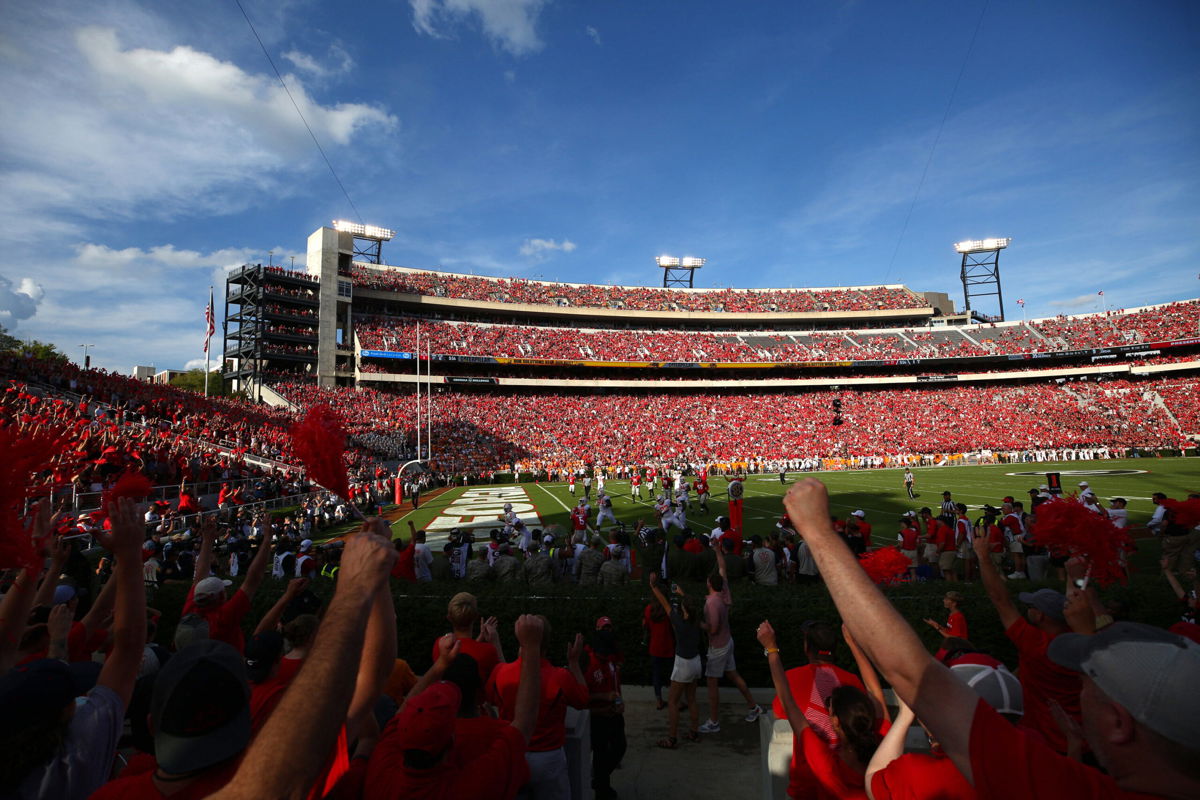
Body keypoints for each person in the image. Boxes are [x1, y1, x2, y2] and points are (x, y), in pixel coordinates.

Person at [782, 477, 1200, 800]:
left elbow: (912, 673)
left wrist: (819, 535)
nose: (1079, 686)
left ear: (1117, 723)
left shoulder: (1059, 784)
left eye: (1088, 682)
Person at [0, 499, 146, 800]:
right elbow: (128, 648)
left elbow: (6, 639)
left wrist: (37, 560)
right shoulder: (77, 759)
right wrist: (130, 557)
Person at [361, 615, 545, 800]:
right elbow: (524, 724)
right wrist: (531, 647)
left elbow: (400, 717)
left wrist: (439, 665)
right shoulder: (469, 787)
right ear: (451, 741)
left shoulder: (381, 770)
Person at [757, 621, 886, 800]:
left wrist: (771, 649)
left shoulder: (824, 763)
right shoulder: (879, 755)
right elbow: (876, 694)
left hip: (804, 787)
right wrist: (855, 644)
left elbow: (783, 710)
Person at [485, 617, 588, 800]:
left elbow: (495, 691)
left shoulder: (500, 673)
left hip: (513, 755)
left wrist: (494, 642)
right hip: (549, 758)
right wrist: (573, 662)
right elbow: (582, 700)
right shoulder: (560, 677)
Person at [698, 543, 764, 734]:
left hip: (718, 645)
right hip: (727, 641)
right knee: (733, 675)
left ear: (710, 584)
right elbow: (722, 568)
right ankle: (754, 707)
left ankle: (714, 721)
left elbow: (713, 628)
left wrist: (697, 623)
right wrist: (717, 551)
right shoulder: (723, 590)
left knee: (712, 683)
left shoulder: (712, 602)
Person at [648, 573, 701, 749]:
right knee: (692, 699)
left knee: (672, 702)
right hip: (696, 662)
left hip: (683, 663)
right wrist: (682, 593)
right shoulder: (696, 619)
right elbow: (690, 604)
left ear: (684, 609)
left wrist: (654, 586)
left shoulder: (679, 622)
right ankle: (694, 732)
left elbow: (664, 602)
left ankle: (671, 738)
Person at [584, 617, 626, 800]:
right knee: (601, 753)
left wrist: (618, 701)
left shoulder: (610, 657)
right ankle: (602, 787)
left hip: (613, 713)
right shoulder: (586, 663)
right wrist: (604, 699)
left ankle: (600, 779)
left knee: (619, 747)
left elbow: (615, 682)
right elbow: (580, 698)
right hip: (597, 717)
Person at [430, 592, 501, 687]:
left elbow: (465, 649)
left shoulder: (440, 644)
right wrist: (495, 642)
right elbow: (503, 678)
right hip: (476, 701)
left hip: (449, 699)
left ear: (449, 618)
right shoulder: (488, 651)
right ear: (476, 617)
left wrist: (480, 638)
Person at [642, 598, 676, 711]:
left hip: (655, 647)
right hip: (668, 646)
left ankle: (658, 700)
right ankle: (676, 700)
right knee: (673, 675)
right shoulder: (668, 609)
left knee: (656, 675)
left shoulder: (648, 609)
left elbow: (646, 625)